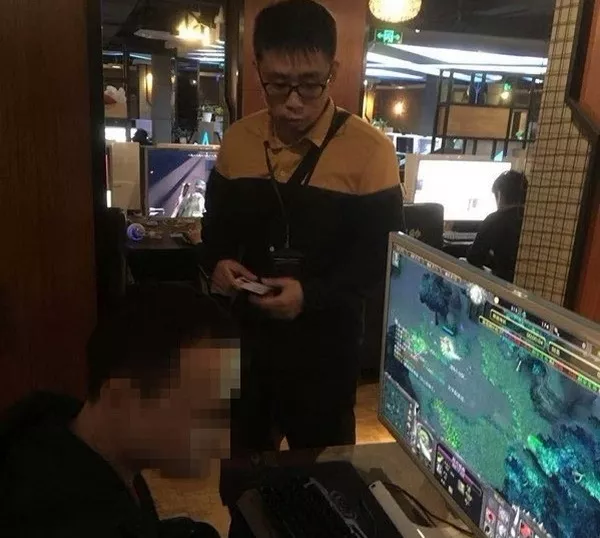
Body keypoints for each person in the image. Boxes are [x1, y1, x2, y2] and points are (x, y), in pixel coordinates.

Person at [202, 0, 404, 476]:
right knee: (242, 475)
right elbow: (215, 229)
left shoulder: (371, 152)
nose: (293, 102)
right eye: (278, 84)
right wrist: (217, 264)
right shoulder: (238, 141)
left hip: (325, 353)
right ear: (257, 69)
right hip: (247, 346)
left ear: (333, 71)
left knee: (325, 477)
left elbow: (378, 261)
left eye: (310, 84)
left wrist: (308, 296)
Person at [0, 284, 239, 538]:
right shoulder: (65, 519)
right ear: (119, 397)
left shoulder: (59, 430)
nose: (219, 440)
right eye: (200, 412)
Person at [467, 170, 528, 282]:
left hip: (503, 285)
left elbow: (474, 259)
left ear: (499, 195)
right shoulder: (533, 220)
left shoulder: (495, 220)